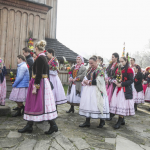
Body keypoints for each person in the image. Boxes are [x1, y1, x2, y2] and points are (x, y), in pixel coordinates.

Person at [18, 40, 58, 134]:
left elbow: (39, 73)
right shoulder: (43, 57)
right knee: (35, 104)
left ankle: (53, 125)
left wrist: (36, 86)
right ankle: (30, 125)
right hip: (42, 82)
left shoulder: (40, 58)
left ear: (36, 48)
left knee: (39, 104)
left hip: (40, 83)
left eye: (34, 49)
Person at [79, 56, 109, 128]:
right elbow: (86, 77)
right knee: (88, 103)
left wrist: (89, 82)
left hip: (97, 89)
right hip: (89, 90)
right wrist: (84, 81)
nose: (90, 65)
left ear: (96, 62)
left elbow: (100, 81)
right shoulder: (89, 69)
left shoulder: (100, 70)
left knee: (98, 104)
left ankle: (102, 121)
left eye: (92, 63)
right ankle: (87, 121)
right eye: (89, 63)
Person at [109, 57, 135, 129]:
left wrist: (122, 84)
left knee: (122, 104)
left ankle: (119, 121)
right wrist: (116, 82)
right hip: (118, 88)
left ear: (126, 61)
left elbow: (131, 80)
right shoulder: (118, 68)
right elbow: (115, 77)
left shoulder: (129, 69)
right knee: (117, 104)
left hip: (124, 89)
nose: (121, 63)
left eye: (122, 61)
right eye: (120, 61)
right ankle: (122, 120)